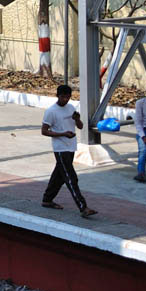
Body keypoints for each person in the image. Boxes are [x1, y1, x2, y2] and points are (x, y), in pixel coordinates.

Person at [41, 84, 97, 218]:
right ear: (57, 96)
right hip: (60, 148)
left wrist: (77, 119)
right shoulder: (51, 111)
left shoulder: (71, 108)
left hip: (71, 146)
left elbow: (80, 126)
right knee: (71, 178)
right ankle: (83, 207)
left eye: (67, 97)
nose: (65, 100)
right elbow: (44, 131)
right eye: (63, 97)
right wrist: (62, 134)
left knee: (59, 176)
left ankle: (47, 199)